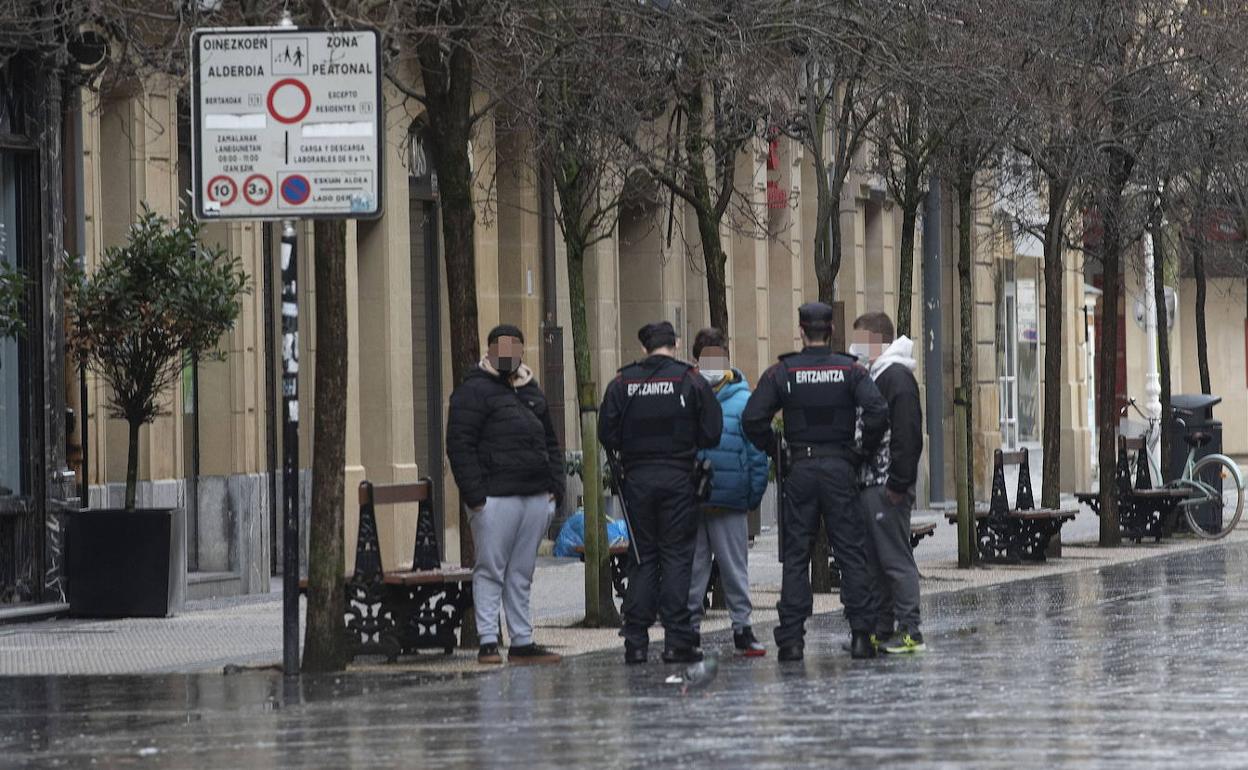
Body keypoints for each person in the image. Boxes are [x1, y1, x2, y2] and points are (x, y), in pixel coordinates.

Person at [742, 302, 889, 661]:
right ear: (832, 332)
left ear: (802, 331)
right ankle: (860, 634)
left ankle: (791, 639)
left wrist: (778, 452)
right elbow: (877, 411)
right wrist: (859, 452)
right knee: (851, 552)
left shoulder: (784, 371)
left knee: (796, 557)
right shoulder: (850, 371)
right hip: (840, 468)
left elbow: (752, 418)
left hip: (802, 469)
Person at [599, 321, 723, 665]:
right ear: (677, 343)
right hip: (679, 478)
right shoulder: (691, 379)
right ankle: (677, 640)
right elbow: (712, 431)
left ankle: (635, 640)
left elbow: (606, 434)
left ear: (644, 348)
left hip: (637, 480)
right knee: (677, 558)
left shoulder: (622, 382)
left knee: (642, 558)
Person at [446, 324, 565, 666]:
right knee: (490, 569)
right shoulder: (473, 390)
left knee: (521, 572)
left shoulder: (531, 389)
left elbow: (550, 442)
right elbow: (460, 444)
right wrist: (476, 497)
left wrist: (553, 491)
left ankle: (522, 640)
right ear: (489, 351)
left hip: (534, 495)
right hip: (494, 498)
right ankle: (487, 641)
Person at [686, 328, 769, 657]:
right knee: (694, 568)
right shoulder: (687, 395)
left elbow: (756, 452)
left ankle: (742, 627)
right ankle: (689, 628)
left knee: (735, 568)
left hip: (730, 498)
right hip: (693, 500)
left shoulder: (743, 399)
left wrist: (752, 496)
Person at [849, 312, 925, 654]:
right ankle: (884, 626)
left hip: (885, 484)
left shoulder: (895, 377)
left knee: (894, 559)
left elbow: (907, 435)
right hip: (874, 483)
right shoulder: (879, 375)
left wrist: (898, 481)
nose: (856, 349)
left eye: (861, 341)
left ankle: (910, 630)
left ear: (876, 342)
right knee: (877, 561)